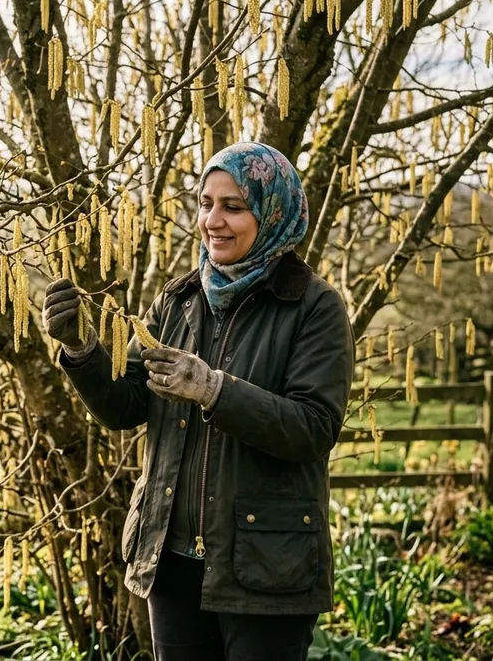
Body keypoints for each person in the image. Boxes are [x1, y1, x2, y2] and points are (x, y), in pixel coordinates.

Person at [42, 142, 355, 660]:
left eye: (233, 207)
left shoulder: (313, 306)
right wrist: (82, 349)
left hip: (266, 567)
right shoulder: (179, 299)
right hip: (171, 560)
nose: (213, 221)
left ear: (272, 214)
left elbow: (313, 428)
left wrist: (215, 390)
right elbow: (126, 406)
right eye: (206, 204)